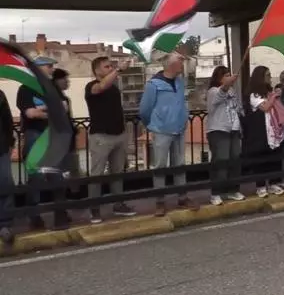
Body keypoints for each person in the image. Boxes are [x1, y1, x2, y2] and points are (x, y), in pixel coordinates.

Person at [139, 52, 198, 216]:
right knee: (160, 166)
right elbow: (144, 109)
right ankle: (160, 201)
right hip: (161, 131)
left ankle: (182, 197)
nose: (182, 65)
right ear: (172, 65)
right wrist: (152, 125)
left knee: (179, 165)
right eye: (180, 62)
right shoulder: (153, 85)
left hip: (179, 129)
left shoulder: (179, 82)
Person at [17, 56, 71, 230]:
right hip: (35, 136)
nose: (52, 69)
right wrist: (51, 109)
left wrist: (42, 109)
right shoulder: (25, 89)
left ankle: (60, 215)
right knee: (36, 178)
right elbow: (30, 114)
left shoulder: (52, 87)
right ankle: (35, 217)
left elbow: (64, 107)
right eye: (49, 66)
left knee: (57, 176)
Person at [84, 56, 137, 223]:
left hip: (118, 135)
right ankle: (94, 208)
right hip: (101, 136)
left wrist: (124, 132)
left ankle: (118, 204)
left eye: (111, 67)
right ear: (97, 71)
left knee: (117, 172)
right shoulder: (91, 86)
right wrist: (119, 69)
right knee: (97, 174)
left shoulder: (114, 88)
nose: (110, 69)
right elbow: (101, 87)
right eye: (106, 67)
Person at [242, 65, 284, 197]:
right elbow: (266, 107)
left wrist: (275, 94)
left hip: (273, 129)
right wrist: (273, 96)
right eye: (267, 75)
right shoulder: (254, 95)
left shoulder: (268, 92)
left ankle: (274, 183)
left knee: (274, 157)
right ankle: (261, 186)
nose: (270, 78)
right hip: (260, 131)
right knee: (261, 158)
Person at [205, 65, 246, 206]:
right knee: (221, 160)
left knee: (235, 160)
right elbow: (219, 96)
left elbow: (237, 107)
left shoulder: (232, 91)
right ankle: (216, 192)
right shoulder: (213, 91)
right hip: (219, 130)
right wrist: (227, 85)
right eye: (226, 76)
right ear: (219, 78)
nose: (229, 78)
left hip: (234, 129)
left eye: (229, 75)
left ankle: (233, 189)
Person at [0, 88, 16, 244]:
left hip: (1, 148)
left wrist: (10, 142)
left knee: (5, 182)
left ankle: (5, 224)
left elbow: (7, 120)